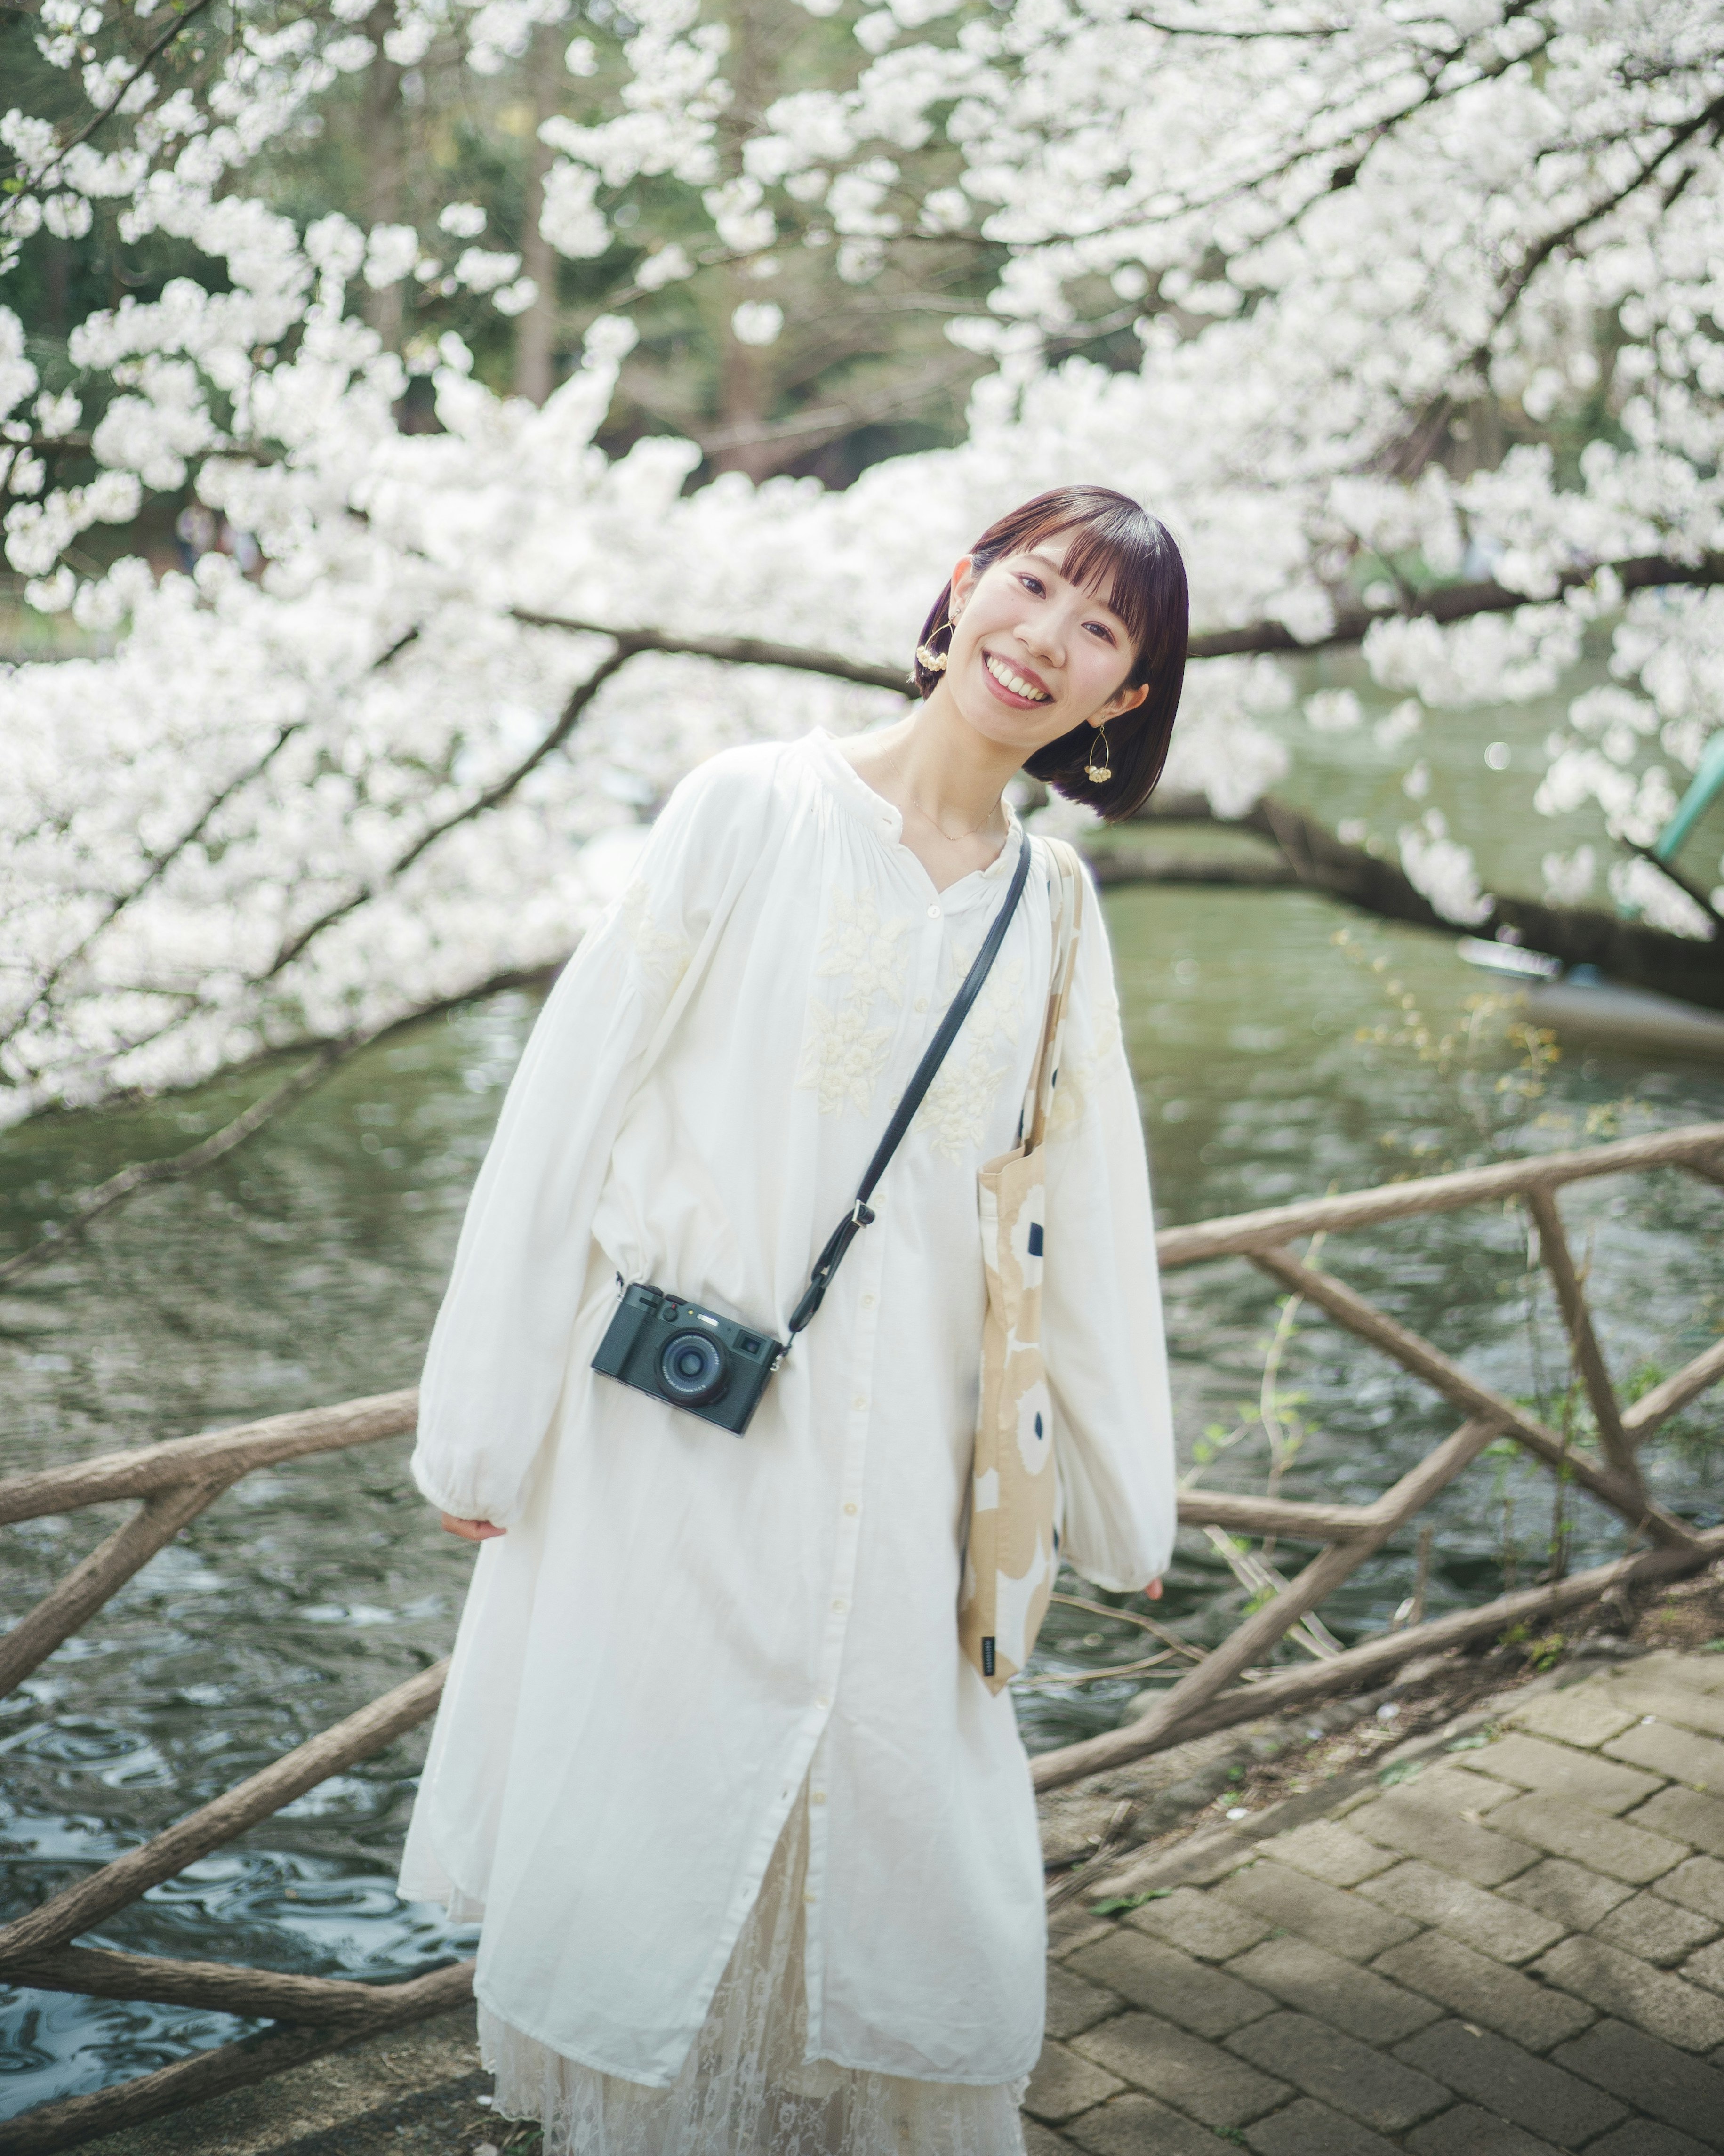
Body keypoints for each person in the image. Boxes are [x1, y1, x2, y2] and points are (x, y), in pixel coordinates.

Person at [400, 484, 1188, 2156]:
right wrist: (482, 1420)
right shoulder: (749, 806)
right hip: (675, 1445)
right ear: (963, 587)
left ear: (1125, 697)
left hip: (909, 1470)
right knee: (660, 1842)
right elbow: (567, 1103)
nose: (1046, 636)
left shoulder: (1055, 914)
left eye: (1101, 627)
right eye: (1033, 584)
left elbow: (1083, 1215)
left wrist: (1122, 1501)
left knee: (912, 1882)